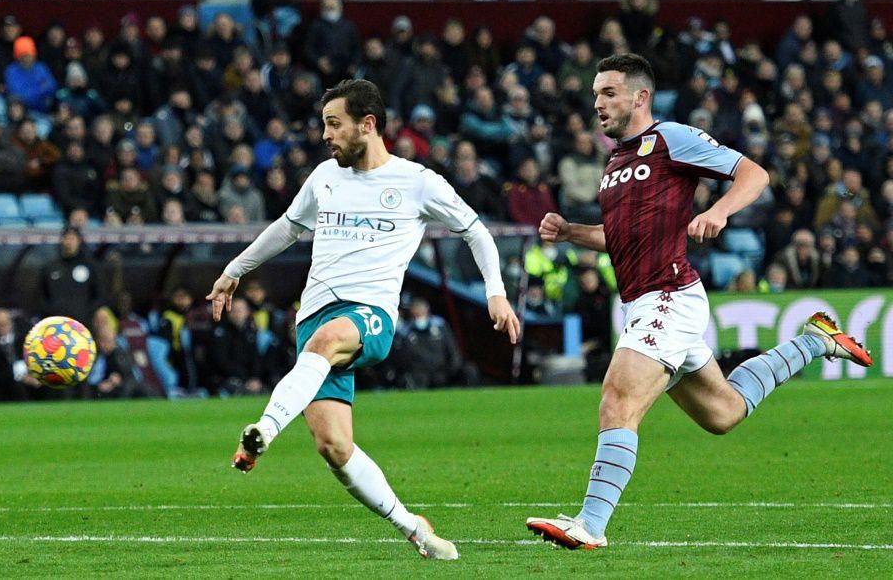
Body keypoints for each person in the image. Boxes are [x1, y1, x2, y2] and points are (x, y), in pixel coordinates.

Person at [526, 53, 873, 550]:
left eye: (608, 92)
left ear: (639, 97)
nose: (596, 103)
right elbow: (619, 236)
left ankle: (590, 525)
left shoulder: (672, 138)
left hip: (668, 297)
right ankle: (814, 342)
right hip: (646, 304)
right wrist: (570, 232)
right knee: (724, 412)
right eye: (596, 93)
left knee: (617, 398)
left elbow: (753, 174)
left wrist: (720, 211)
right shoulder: (616, 161)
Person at [206, 79, 519, 560]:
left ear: (367, 124)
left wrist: (495, 293)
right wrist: (233, 271)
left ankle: (262, 431)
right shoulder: (324, 177)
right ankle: (415, 529)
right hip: (313, 323)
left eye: (334, 124)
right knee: (334, 446)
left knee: (330, 339)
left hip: (369, 316)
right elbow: (287, 228)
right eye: (323, 125)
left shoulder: (417, 182)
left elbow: (476, 232)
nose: (326, 135)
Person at [38, 226, 104, 330]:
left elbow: (99, 295)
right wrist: (51, 313)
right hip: (56, 327)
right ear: (62, 241)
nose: (69, 242)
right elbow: (41, 296)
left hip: (82, 326)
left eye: (73, 239)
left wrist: (86, 313)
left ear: (79, 241)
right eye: (67, 238)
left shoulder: (90, 267)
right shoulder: (50, 268)